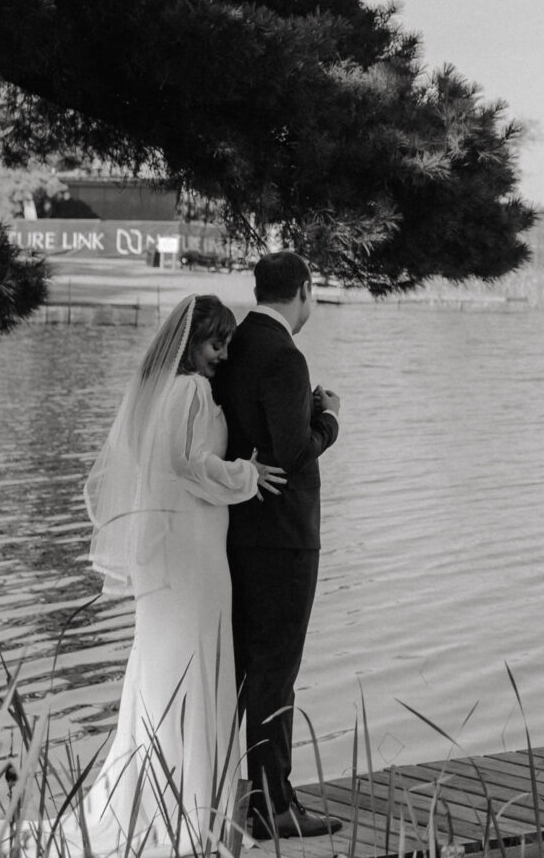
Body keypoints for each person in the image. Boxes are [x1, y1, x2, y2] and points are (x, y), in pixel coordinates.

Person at [80, 294, 287, 856]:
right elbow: (190, 465)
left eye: (224, 344)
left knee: (163, 667)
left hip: (164, 553)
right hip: (192, 554)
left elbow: (164, 464)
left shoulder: (154, 394)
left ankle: (158, 793)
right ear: (189, 343)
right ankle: (188, 806)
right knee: (195, 664)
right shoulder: (192, 390)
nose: (222, 354)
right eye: (214, 343)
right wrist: (249, 474)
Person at [211, 253, 345, 840]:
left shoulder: (234, 345)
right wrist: (330, 420)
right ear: (305, 290)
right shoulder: (286, 355)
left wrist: (301, 412)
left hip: (238, 532)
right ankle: (273, 807)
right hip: (286, 539)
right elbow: (291, 454)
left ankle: (257, 792)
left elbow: (253, 432)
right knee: (276, 671)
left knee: (247, 669)